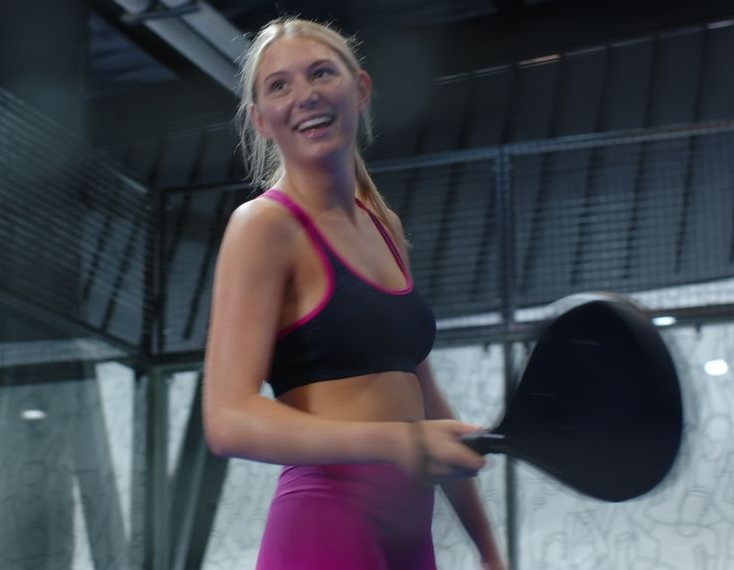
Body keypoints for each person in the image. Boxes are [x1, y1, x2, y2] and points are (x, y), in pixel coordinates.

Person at [202, 17, 506, 570]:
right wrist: (397, 442)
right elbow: (228, 420)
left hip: (411, 539)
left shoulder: (383, 223)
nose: (305, 95)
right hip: (325, 522)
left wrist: (488, 549)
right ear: (261, 120)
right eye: (280, 85)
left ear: (360, 89)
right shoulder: (263, 228)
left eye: (321, 73)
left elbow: (425, 399)